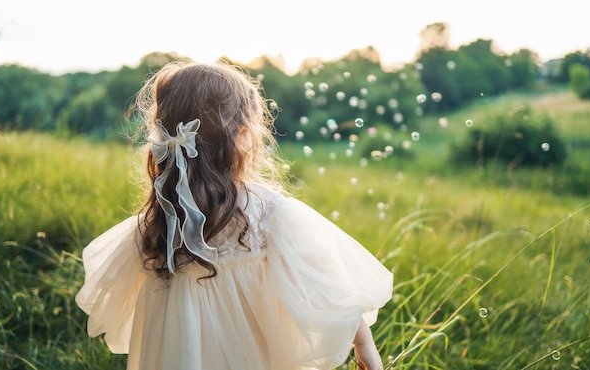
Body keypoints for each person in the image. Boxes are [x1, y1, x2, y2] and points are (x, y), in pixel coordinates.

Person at [75, 61, 393, 370]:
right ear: (242, 136)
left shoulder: (156, 224)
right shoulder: (267, 212)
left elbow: (115, 306)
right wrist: (363, 344)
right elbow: (327, 281)